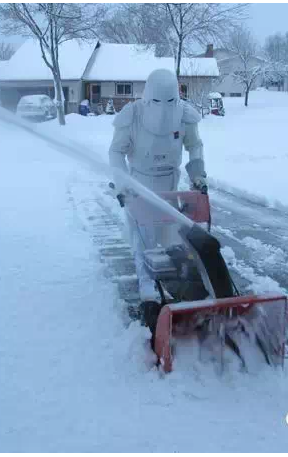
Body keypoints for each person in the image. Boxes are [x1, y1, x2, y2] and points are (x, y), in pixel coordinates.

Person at [108, 68, 207, 307]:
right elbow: (116, 151)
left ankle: (177, 280)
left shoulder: (185, 116)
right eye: (157, 101)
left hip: (170, 184)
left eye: (170, 101)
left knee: (173, 235)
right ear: (148, 96)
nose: (164, 109)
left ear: (177, 95)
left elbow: (195, 145)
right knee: (144, 237)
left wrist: (198, 175)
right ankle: (146, 283)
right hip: (139, 184)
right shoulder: (131, 115)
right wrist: (123, 184)